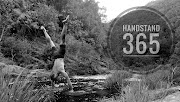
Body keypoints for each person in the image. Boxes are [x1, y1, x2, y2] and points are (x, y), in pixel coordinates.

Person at [40, 15, 73, 92]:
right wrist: (52, 87)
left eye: (57, 78)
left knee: (62, 39)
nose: (59, 79)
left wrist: (71, 89)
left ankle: (65, 24)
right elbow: (52, 79)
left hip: (60, 55)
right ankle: (44, 30)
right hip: (55, 55)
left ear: (56, 76)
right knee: (50, 41)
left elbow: (67, 78)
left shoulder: (60, 71)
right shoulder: (52, 74)